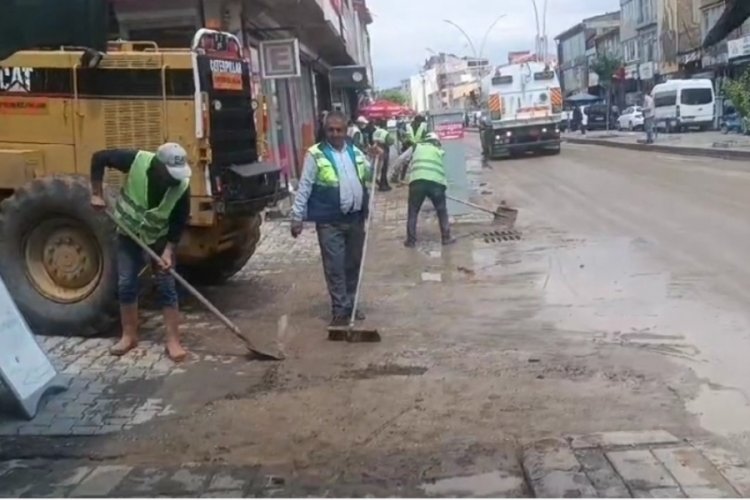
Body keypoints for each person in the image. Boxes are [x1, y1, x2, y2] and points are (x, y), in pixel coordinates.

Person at [89, 143, 192, 362]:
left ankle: (173, 341)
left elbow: (178, 220)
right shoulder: (136, 160)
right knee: (126, 283)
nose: (175, 179)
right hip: (128, 233)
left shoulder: (181, 186)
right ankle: (129, 336)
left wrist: (168, 251)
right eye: (170, 174)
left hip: (159, 238)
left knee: (167, 286)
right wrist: (96, 193)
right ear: (158, 166)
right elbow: (99, 157)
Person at [290, 111, 381, 327]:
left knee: (353, 265)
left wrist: (375, 159)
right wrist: (296, 216)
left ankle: (351, 304)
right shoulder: (315, 154)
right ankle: (340, 310)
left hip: (355, 219)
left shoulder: (354, 151)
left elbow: (368, 175)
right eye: (330, 130)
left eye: (339, 129)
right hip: (329, 221)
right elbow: (304, 186)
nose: (335, 134)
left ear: (345, 130)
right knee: (335, 267)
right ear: (325, 130)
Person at [403, 132, 454, 248]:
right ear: (436, 142)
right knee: (441, 211)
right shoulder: (439, 151)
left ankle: (411, 241)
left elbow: (401, 160)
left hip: (417, 183)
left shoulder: (416, 147)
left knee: (413, 212)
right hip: (436, 184)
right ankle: (446, 238)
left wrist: (394, 177)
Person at [372, 119, 394, 192]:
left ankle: (383, 183)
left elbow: (372, 140)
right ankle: (383, 185)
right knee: (384, 169)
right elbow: (390, 142)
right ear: (385, 125)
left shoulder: (376, 131)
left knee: (378, 167)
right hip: (384, 150)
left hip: (376, 149)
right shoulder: (385, 133)